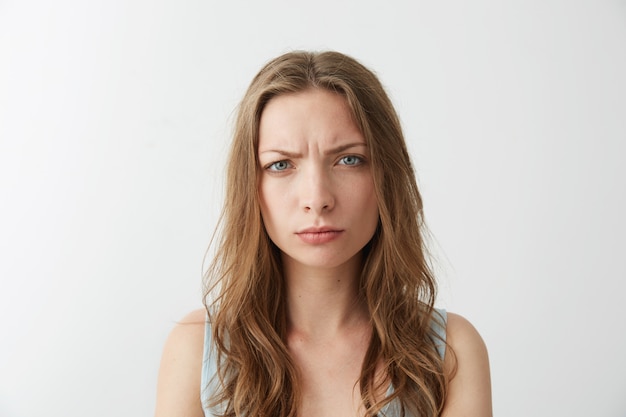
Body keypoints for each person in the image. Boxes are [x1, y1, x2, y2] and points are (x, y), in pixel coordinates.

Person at [154, 50, 492, 417]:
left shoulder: (450, 351)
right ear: (250, 186)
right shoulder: (198, 348)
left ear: (387, 177)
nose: (317, 199)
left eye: (349, 159)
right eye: (280, 164)